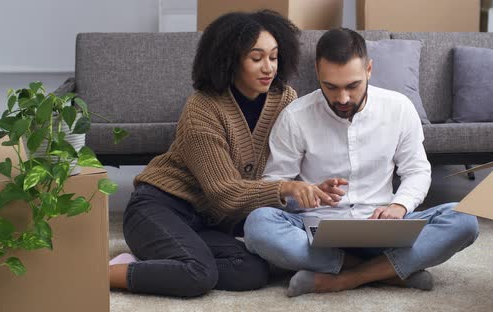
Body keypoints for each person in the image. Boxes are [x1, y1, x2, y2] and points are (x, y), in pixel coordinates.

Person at [108, 10, 334, 297]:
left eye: (274, 57)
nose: (268, 68)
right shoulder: (202, 108)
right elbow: (224, 194)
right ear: (230, 60)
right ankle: (103, 274)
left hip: (208, 222)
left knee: (252, 271)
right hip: (159, 207)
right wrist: (286, 188)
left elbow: (299, 153)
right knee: (198, 274)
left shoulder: (285, 99)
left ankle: (161, 264)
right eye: (256, 58)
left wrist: (317, 186)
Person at [243, 28, 480, 297]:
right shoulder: (295, 117)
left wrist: (399, 206)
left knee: (465, 219)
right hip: (318, 233)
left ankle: (346, 278)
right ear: (318, 73)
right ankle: (389, 273)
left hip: (384, 226)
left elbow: (416, 170)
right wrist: (301, 193)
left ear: (369, 69)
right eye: (331, 87)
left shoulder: (399, 108)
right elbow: (272, 186)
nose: (342, 98)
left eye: (352, 86)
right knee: (257, 225)